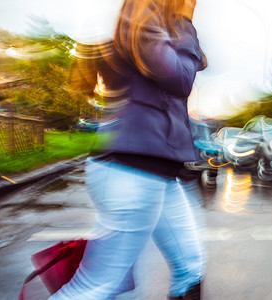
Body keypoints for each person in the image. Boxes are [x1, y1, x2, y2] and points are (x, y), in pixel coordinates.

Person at [52, 0, 207, 299]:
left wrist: (181, 26)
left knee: (191, 266)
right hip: (132, 169)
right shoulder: (140, 21)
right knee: (97, 286)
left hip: (157, 170)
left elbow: (195, 63)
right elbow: (181, 78)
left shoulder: (158, 27)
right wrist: (185, 22)